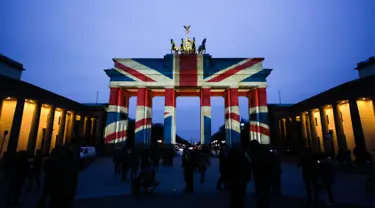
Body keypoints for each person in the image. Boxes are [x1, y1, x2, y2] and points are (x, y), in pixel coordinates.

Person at [249, 140, 272, 208]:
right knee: (263, 189)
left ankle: (262, 202)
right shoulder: (264, 152)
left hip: (262, 174)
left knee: (262, 189)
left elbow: (255, 163)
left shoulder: (256, 153)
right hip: (262, 174)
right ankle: (264, 202)